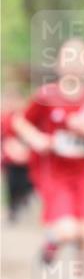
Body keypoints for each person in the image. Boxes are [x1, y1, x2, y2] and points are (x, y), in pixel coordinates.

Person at [11, 38, 84, 279]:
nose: (73, 63)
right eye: (67, 57)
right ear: (58, 64)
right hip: (55, 176)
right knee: (68, 231)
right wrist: (37, 140)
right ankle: (52, 242)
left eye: (79, 58)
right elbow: (20, 122)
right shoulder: (46, 97)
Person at [1, 85, 34, 221]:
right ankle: (13, 209)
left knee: (27, 182)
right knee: (12, 184)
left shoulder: (26, 117)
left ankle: (23, 199)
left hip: (27, 157)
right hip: (9, 157)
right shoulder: (4, 118)